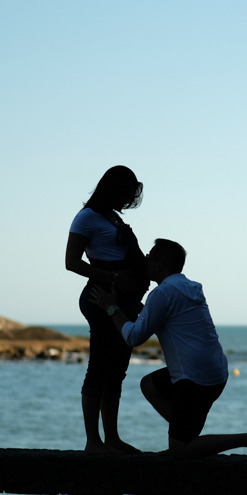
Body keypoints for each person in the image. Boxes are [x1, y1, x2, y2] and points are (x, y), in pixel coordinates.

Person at [90, 239, 247, 459]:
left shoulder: (162, 294)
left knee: (179, 451)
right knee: (149, 385)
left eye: (150, 256)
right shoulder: (187, 287)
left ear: (160, 265)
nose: (145, 259)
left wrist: (111, 307)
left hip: (193, 378)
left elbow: (133, 337)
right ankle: (184, 433)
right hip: (215, 371)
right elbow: (169, 321)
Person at [65, 166, 150, 454]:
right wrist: (113, 278)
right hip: (103, 295)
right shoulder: (87, 217)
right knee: (99, 368)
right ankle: (93, 441)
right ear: (114, 189)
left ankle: (112, 439)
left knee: (117, 371)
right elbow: (72, 262)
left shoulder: (112, 217)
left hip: (123, 299)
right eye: (126, 193)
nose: (129, 200)